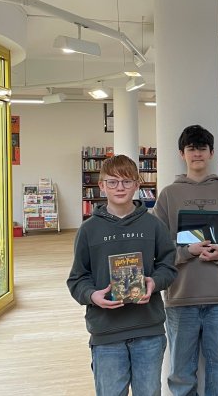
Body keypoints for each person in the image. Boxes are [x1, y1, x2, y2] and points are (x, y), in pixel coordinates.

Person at [66, 154, 178, 396]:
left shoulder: (154, 225)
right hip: (106, 333)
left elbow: (169, 267)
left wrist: (154, 282)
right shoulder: (88, 230)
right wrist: (92, 296)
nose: (120, 187)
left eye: (127, 182)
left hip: (148, 330)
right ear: (101, 185)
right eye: (113, 182)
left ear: (138, 184)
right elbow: (77, 279)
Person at [153, 125, 218, 396]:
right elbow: (159, 247)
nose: (197, 153)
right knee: (181, 371)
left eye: (202, 148)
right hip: (181, 297)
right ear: (182, 153)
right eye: (191, 148)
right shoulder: (168, 195)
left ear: (211, 152)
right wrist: (186, 252)